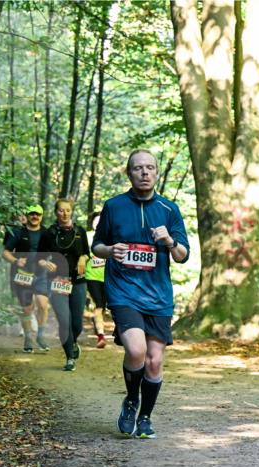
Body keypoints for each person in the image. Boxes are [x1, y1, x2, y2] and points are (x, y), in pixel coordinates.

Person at [91, 149, 189, 438]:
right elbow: (97, 245)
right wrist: (110, 250)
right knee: (136, 350)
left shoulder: (169, 210)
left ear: (156, 172)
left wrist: (169, 241)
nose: (144, 173)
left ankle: (145, 417)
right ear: (129, 173)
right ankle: (132, 399)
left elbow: (182, 256)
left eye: (149, 168)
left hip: (158, 296)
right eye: (138, 168)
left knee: (155, 361)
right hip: (123, 291)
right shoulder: (114, 206)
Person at [37, 198, 90, 371]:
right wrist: (45, 263)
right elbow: (39, 257)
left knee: (76, 324)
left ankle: (73, 341)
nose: (64, 213)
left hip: (78, 282)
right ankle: (69, 358)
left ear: (72, 211)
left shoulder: (80, 231)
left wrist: (83, 258)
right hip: (57, 281)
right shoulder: (49, 233)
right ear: (56, 212)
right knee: (64, 320)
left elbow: (87, 253)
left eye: (68, 210)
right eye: (61, 210)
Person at [2, 204, 51, 353]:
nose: (35, 217)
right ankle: (28, 337)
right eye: (32, 214)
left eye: (38, 214)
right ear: (27, 215)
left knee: (43, 305)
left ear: (42, 216)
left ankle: (41, 336)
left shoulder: (47, 233)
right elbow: (6, 253)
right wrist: (15, 261)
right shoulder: (17, 232)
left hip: (41, 274)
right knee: (27, 309)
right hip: (22, 274)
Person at [83, 211, 109, 349]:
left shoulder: (111, 237)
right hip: (91, 276)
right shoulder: (86, 236)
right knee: (98, 305)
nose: (98, 223)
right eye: (95, 221)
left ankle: (98, 324)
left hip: (108, 277)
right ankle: (101, 335)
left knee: (103, 307)